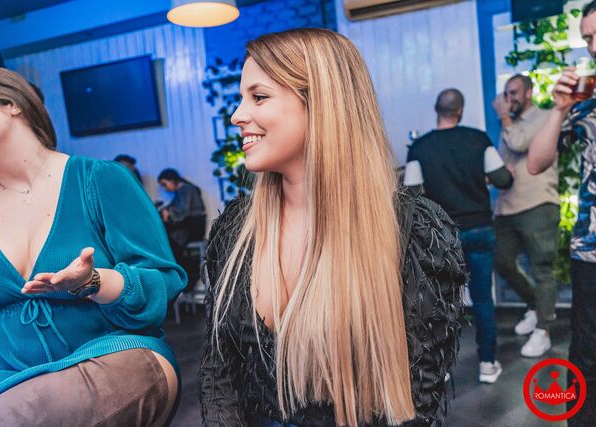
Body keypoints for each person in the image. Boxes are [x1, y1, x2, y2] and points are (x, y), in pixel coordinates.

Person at [199, 28, 466, 426]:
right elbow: (219, 371)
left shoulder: (414, 233)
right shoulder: (235, 231)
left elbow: (417, 399)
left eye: (259, 97)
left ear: (320, 103)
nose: (237, 115)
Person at [0, 66, 187, 425]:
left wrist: (93, 281)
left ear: (10, 102)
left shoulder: (100, 178)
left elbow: (161, 283)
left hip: (100, 360)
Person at [404, 88, 513, 384]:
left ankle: (442, 368)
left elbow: (411, 194)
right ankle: (487, 363)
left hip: (442, 235)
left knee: (442, 302)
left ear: (436, 109)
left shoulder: (420, 147)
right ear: (460, 111)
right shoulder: (478, 139)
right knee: (482, 300)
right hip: (479, 229)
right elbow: (504, 179)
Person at [528, 1, 596, 422]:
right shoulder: (585, 104)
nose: (593, 46)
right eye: (588, 38)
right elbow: (536, 163)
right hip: (591, 250)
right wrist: (559, 109)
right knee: (587, 355)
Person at [492, 74, 559, 358]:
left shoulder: (544, 117)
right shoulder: (510, 123)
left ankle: (543, 330)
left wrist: (504, 117)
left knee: (542, 268)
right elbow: (504, 159)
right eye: (506, 93)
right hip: (507, 206)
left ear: (528, 93)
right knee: (502, 261)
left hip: (538, 204)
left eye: (514, 92)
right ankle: (535, 306)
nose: (509, 98)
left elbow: (519, 144)